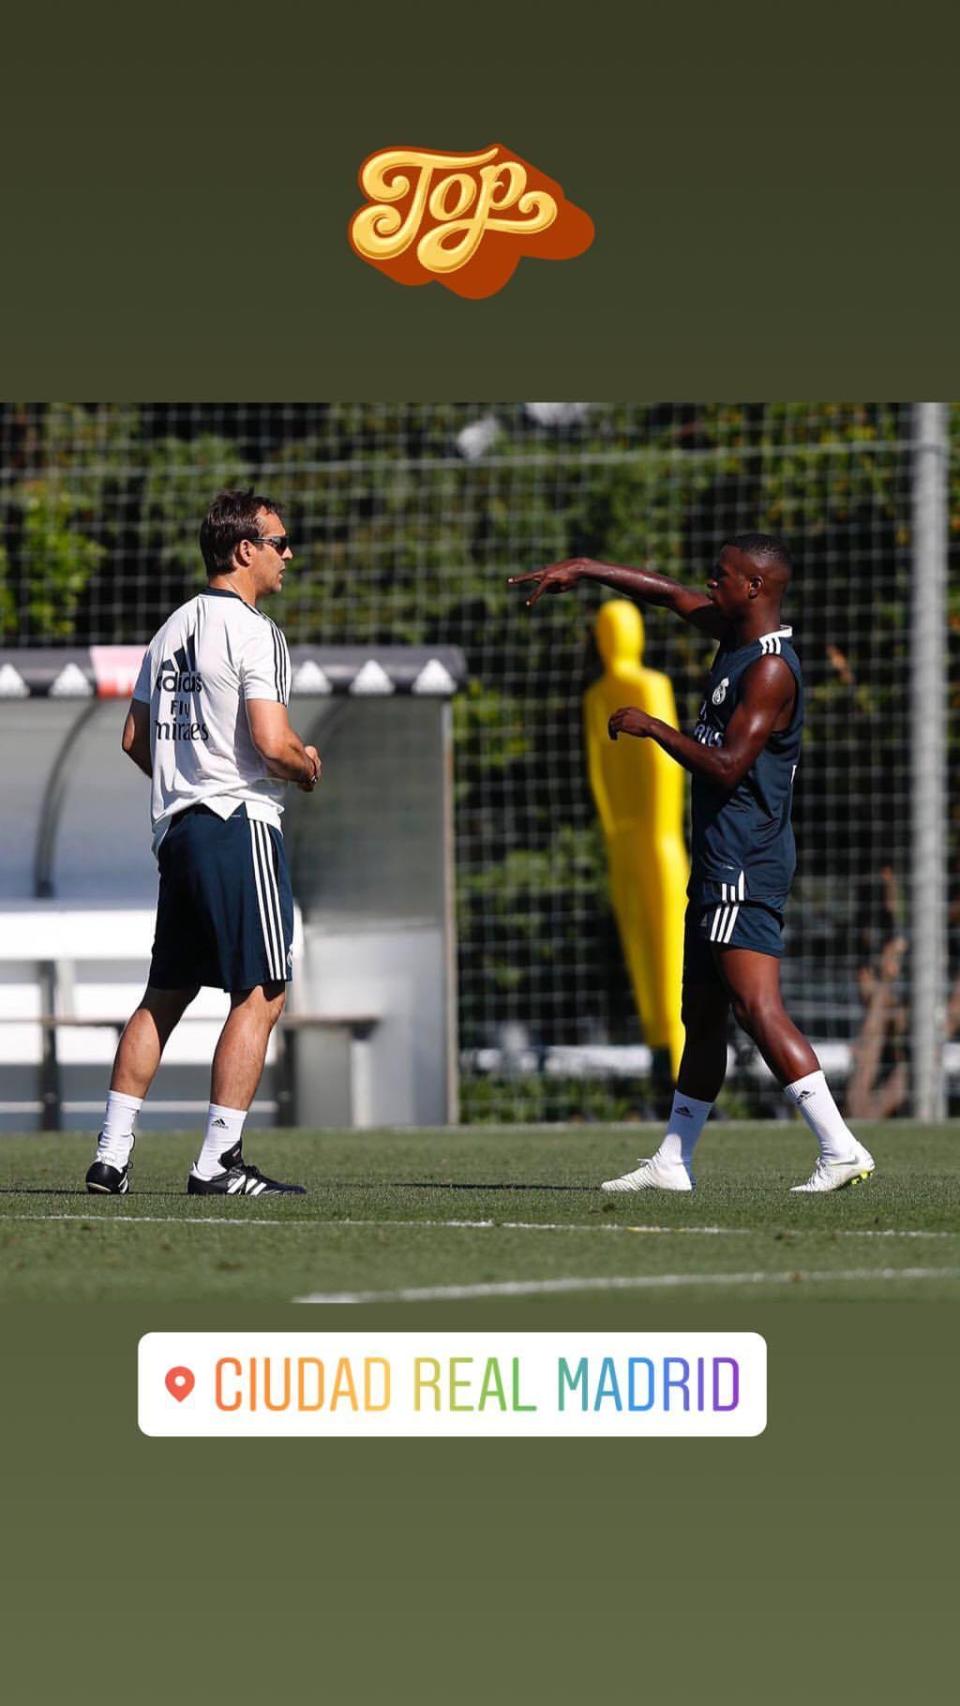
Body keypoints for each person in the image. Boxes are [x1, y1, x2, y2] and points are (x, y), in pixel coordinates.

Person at [509, 534, 875, 1194]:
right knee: (701, 1016)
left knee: (755, 1006)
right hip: (717, 859)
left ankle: (839, 1145)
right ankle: (673, 1161)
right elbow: (667, 594)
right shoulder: (733, 637)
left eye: (722, 575)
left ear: (755, 587)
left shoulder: (770, 669)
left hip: (746, 859)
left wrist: (655, 727)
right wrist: (585, 568)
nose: (708, 583)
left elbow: (729, 766)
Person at [84, 489, 321, 1198]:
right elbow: (272, 743)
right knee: (264, 990)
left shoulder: (170, 628)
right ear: (245, 550)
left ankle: (110, 1156)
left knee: (165, 994)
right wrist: (306, 764)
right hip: (237, 823)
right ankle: (218, 1161)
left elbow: (135, 738)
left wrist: (187, 776)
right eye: (279, 542)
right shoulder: (255, 631)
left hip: (180, 831)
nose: (288, 554)